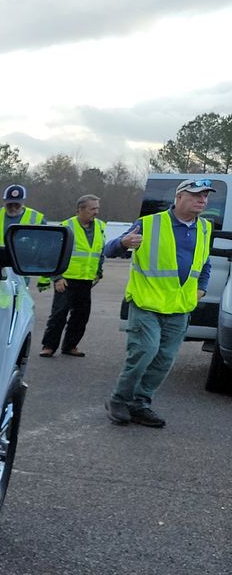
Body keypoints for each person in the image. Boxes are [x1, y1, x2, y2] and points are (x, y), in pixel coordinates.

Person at [104, 178, 215, 427]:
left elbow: (205, 264)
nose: (202, 200)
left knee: (164, 359)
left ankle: (140, 403)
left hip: (179, 307)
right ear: (179, 197)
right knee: (145, 351)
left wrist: (202, 289)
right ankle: (119, 399)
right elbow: (109, 249)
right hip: (147, 303)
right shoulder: (149, 223)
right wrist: (123, 243)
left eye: (206, 196)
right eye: (196, 194)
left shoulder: (205, 228)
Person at [38, 195, 104, 357]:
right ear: (80, 209)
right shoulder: (66, 227)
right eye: (92, 209)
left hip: (86, 280)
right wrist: (57, 277)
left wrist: (98, 272)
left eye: (97, 208)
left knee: (81, 316)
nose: (96, 212)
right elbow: (52, 254)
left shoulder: (100, 226)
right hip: (66, 280)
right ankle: (49, 346)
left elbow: (99, 252)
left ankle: (70, 346)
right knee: (59, 314)